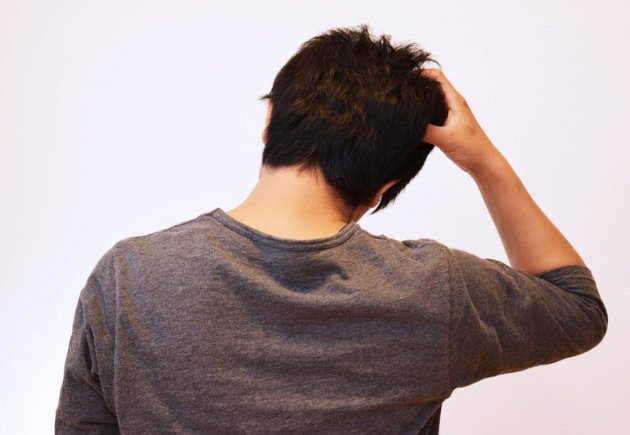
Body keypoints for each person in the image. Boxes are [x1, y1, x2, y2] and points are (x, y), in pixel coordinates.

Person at [55, 25, 607, 434]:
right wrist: (482, 159)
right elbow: (578, 307)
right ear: (384, 188)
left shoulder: (129, 276)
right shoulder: (435, 290)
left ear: (270, 121)